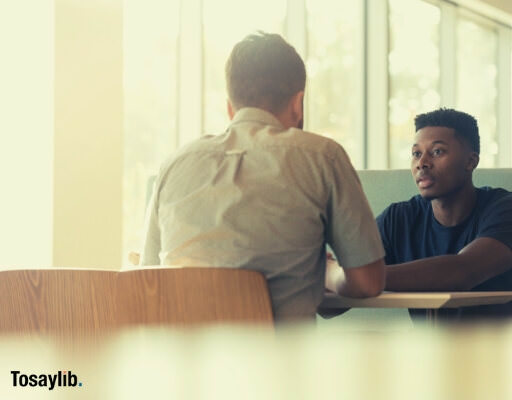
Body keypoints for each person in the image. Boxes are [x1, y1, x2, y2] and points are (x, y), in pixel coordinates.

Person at [139, 32, 385, 322]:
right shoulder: (322, 156)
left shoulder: (174, 164)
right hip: (279, 363)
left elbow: (147, 279)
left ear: (231, 107)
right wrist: (329, 273)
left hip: (183, 361)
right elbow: (368, 282)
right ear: (298, 104)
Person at [376, 108, 512, 320]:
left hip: (499, 351)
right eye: (416, 153)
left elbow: (461, 272)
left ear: (470, 162)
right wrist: (334, 276)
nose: (421, 163)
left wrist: (360, 277)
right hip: (427, 351)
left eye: (437, 152)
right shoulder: (398, 219)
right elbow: (331, 306)